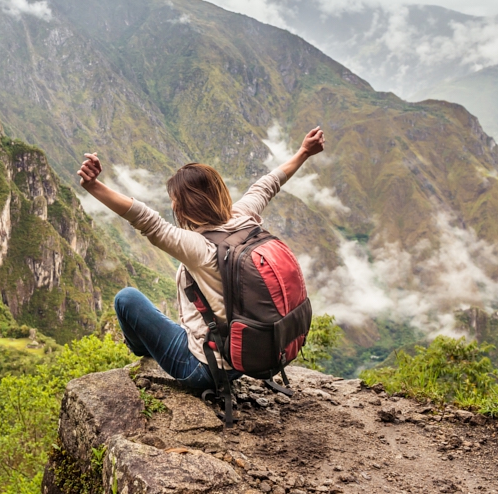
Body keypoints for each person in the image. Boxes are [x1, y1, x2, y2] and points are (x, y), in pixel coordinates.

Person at [77, 126, 326, 391]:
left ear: (183, 207)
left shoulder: (198, 248)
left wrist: (93, 186)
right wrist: (304, 152)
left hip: (202, 370)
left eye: (174, 201)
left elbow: (146, 219)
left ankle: (139, 351)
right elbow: (267, 185)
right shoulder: (244, 217)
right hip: (242, 359)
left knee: (126, 299)